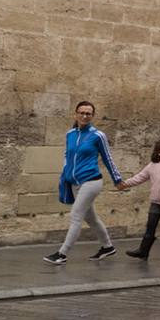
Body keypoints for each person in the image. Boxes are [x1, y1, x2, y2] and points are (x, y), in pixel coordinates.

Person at [44, 101, 121, 265]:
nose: (85, 116)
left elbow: (108, 158)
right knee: (91, 218)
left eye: (88, 113)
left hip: (91, 181)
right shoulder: (70, 134)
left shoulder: (98, 135)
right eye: (82, 113)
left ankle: (62, 254)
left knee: (75, 216)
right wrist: (64, 175)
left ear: (92, 116)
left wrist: (117, 180)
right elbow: (67, 156)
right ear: (76, 114)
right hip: (73, 183)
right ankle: (107, 247)